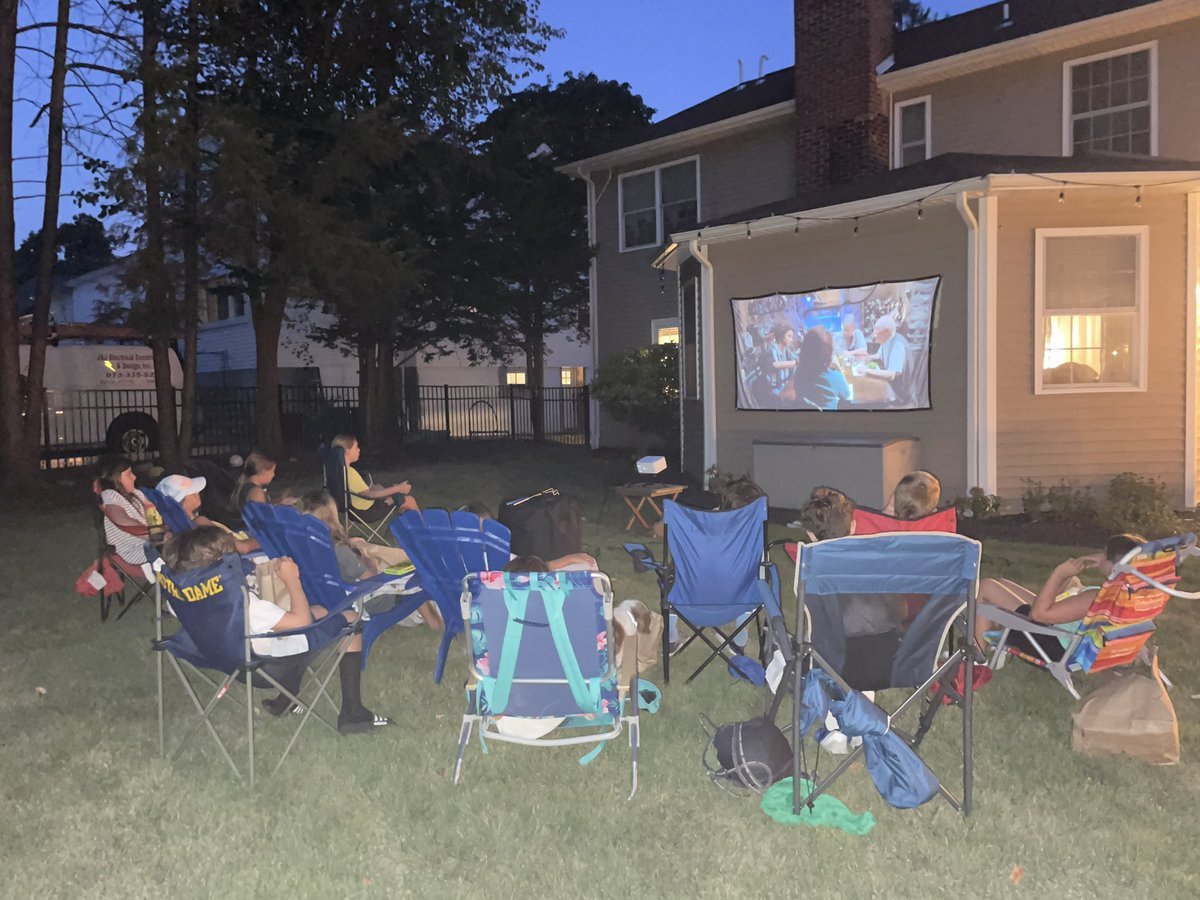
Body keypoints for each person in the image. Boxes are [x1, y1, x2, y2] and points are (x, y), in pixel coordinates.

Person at [162, 525, 391, 734]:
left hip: (227, 656)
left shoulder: (183, 597)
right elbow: (300, 622)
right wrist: (292, 580)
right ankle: (353, 712)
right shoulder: (245, 605)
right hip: (268, 666)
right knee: (351, 618)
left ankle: (286, 701)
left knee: (320, 610)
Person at [294, 490, 442, 630]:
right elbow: (370, 578)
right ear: (331, 517)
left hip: (329, 597)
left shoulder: (305, 546)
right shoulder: (341, 552)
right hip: (361, 600)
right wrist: (366, 558)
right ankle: (435, 622)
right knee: (414, 582)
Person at [974, 534, 1144, 655]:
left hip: (1050, 641)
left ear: (1113, 566)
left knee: (987, 587)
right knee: (1001, 584)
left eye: (1105, 554)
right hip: (1060, 632)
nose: (1100, 555)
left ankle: (976, 657)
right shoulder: (1127, 594)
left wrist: (1059, 574)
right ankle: (987, 641)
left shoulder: (1097, 597)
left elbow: (1039, 614)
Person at [157, 473, 260, 553]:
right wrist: (265, 540)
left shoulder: (173, 528)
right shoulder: (200, 523)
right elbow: (243, 548)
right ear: (184, 499)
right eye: (193, 491)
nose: (197, 493)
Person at [331, 434, 418, 521]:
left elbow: (362, 492)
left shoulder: (338, 472)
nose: (359, 450)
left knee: (393, 495)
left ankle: (409, 527)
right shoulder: (350, 473)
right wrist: (397, 488)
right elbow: (369, 495)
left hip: (351, 511)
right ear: (347, 451)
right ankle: (423, 531)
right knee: (409, 500)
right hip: (367, 512)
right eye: (356, 447)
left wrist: (392, 489)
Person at [96, 455, 155, 566]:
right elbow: (123, 521)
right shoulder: (110, 495)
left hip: (149, 543)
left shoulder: (135, 493)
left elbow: (150, 507)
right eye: (129, 474)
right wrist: (157, 534)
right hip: (133, 551)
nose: (134, 477)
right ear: (116, 478)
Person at [790, 326, 852, 410]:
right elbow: (847, 394)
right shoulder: (834, 377)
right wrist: (839, 368)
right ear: (828, 353)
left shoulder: (798, 372)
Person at [854, 314, 911, 404]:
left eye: (876, 331)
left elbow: (891, 375)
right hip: (890, 386)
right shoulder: (886, 340)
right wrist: (867, 357)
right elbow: (878, 355)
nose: (873, 334)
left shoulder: (897, 346)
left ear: (886, 331)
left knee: (866, 398)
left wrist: (866, 370)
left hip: (898, 396)